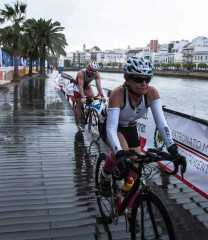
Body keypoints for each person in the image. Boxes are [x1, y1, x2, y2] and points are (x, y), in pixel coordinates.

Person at [98, 56, 186, 210]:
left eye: (148, 79)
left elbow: (161, 123)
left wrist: (172, 149)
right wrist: (119, 153)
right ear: (128, 79)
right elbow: (111, 129)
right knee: (122, 152)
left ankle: (128, 204)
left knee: (135, 168)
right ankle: (105, 176)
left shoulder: (151, 93)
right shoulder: (118, 94)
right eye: (139, 79)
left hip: (130, 125)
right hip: (111, 125)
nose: (144, 84)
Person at [73, 60, 106, 131]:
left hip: (86, 85)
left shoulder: (97, 74)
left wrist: (102, 95)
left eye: (94, 71)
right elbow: (80, 86)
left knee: (92, 97)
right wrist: (82, 97)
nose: (92, 73)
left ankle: (88, 109)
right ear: (88, 68)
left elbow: (98, 86)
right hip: (78, 86)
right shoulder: (81, 73)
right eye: (91, 70)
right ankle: (79, 124)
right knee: (79, 103)